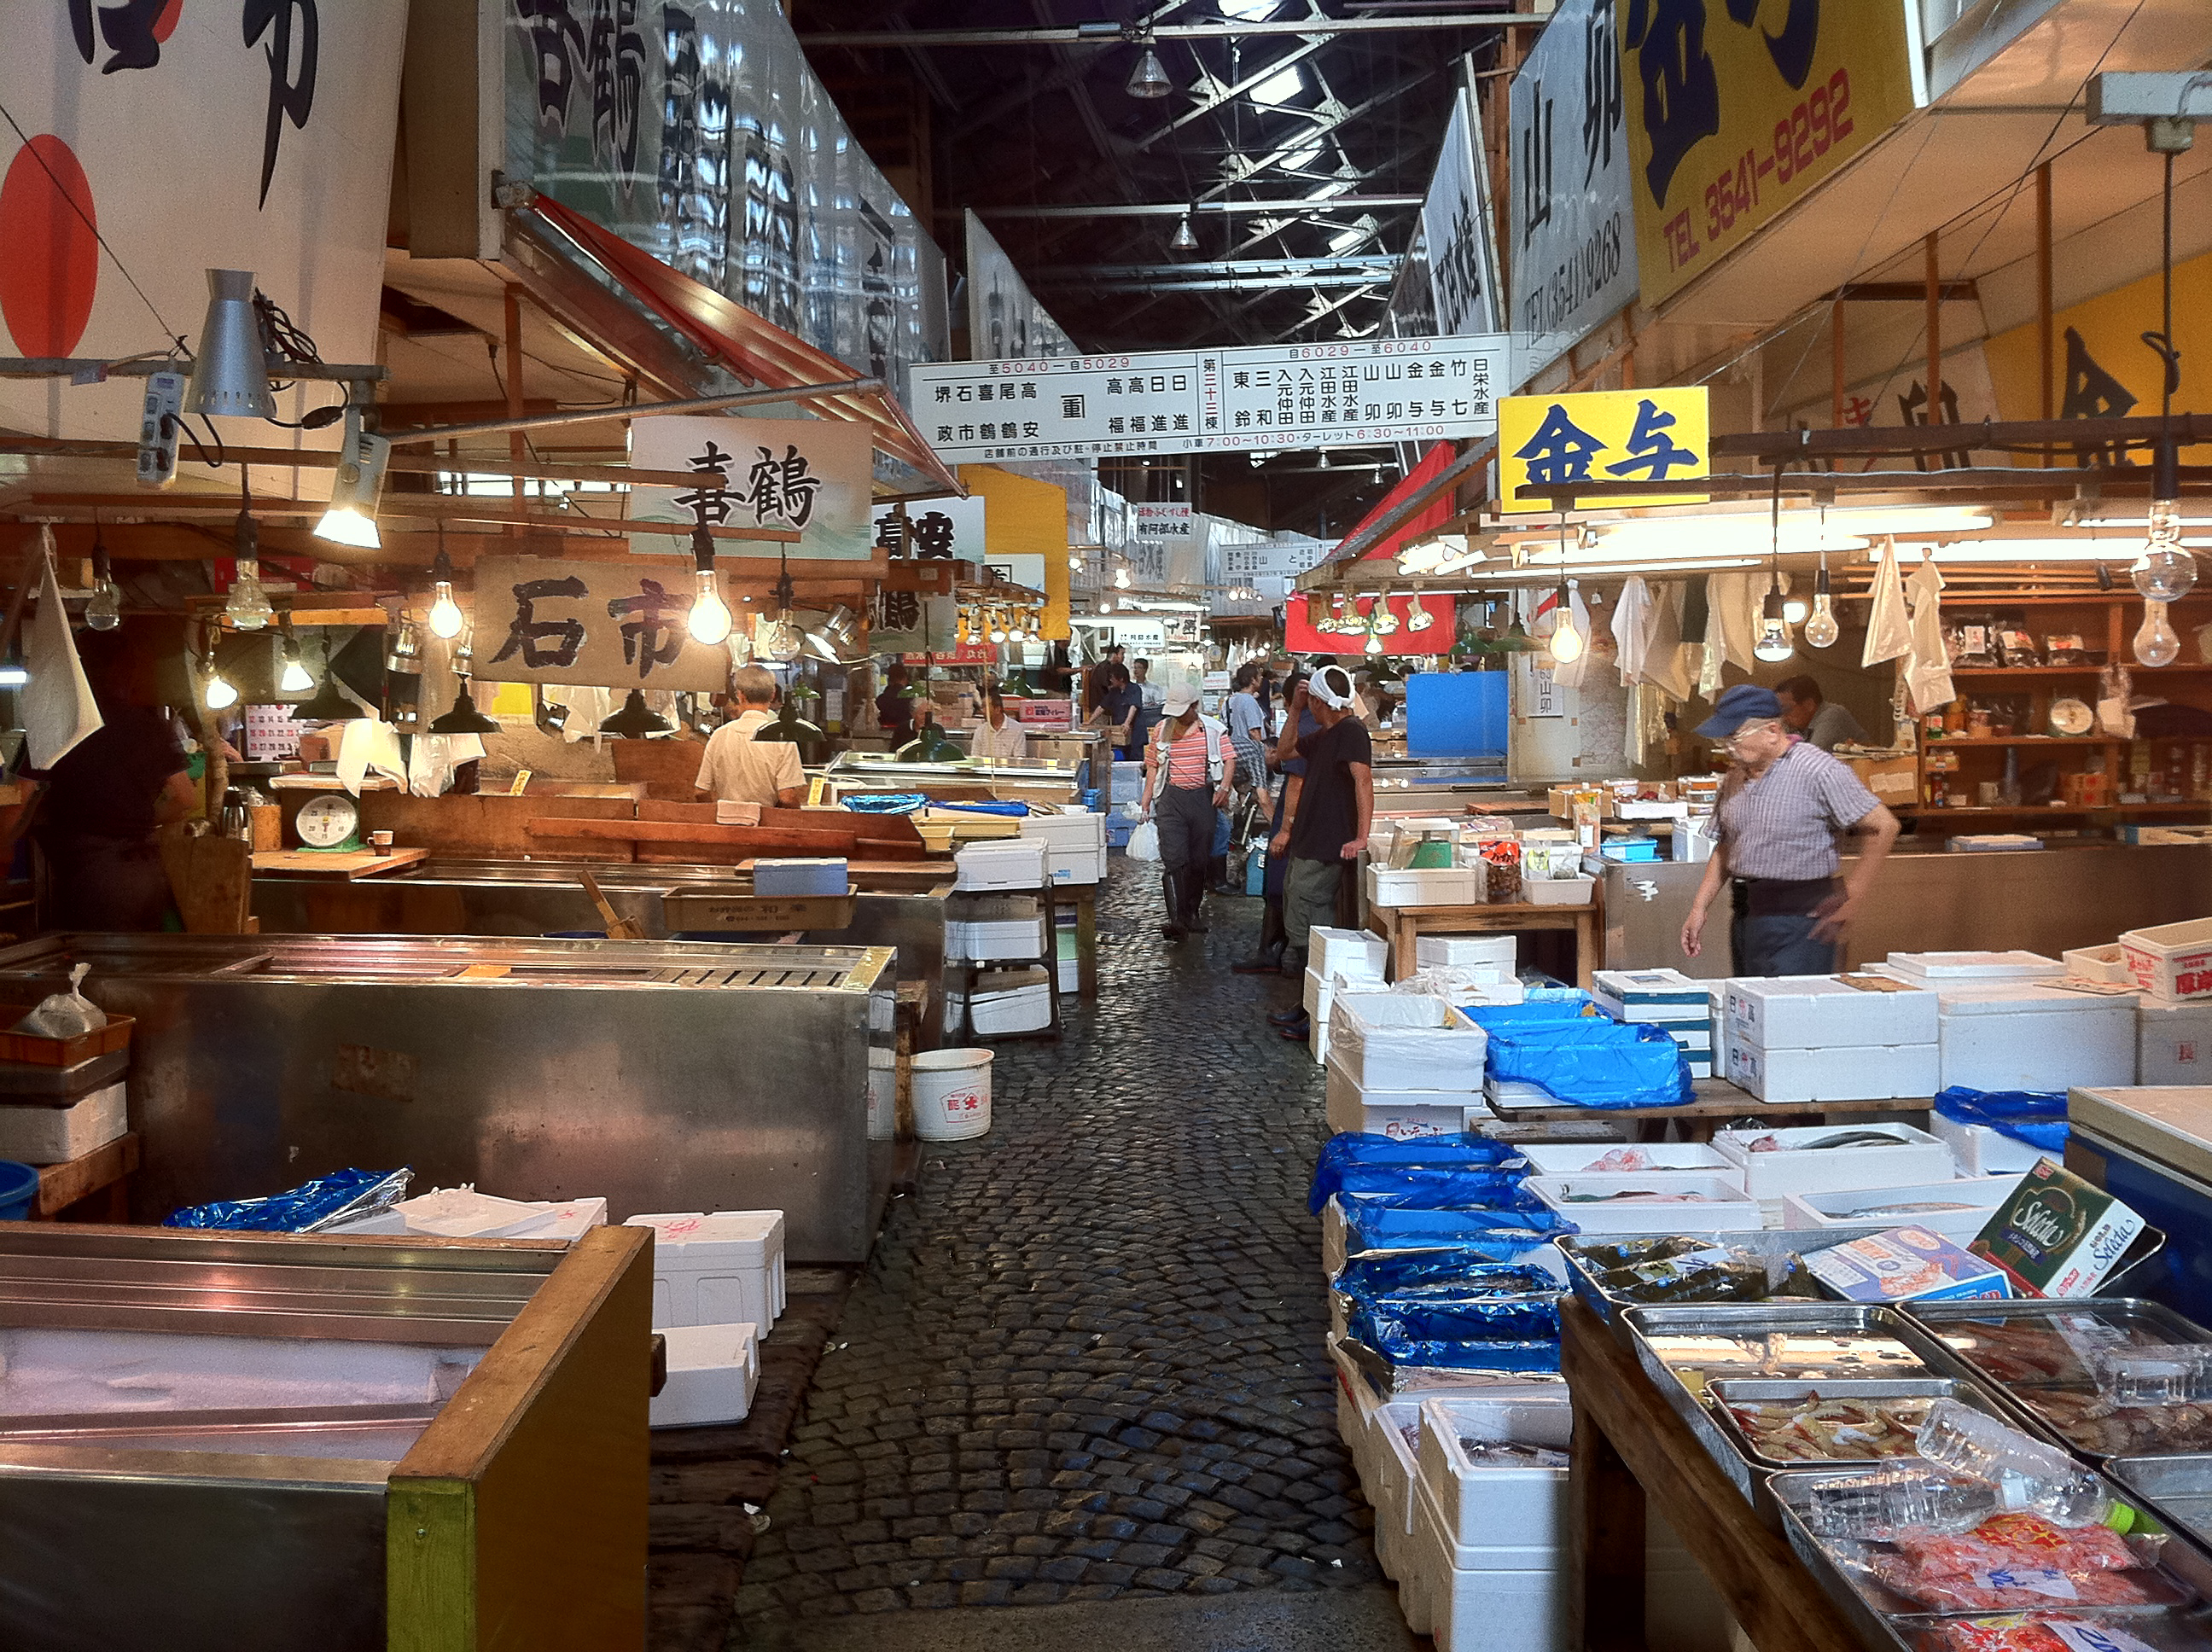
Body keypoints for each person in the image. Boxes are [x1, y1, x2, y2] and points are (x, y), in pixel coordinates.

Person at [1680, 683, 1901, 976]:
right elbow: (1727, 845)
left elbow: (1884, 826)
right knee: (1750, 1012)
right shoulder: (1734, 778)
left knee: (1791, 1015)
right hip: (1747, 914)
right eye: (1723, 740)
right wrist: (1699, 907)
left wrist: (1854, 894)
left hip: (1802, 919)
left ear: (1772, 731)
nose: (1727, 748)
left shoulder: (1817, 769)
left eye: (1734, 738)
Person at [32, 637, 195, 930]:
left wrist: (5, 846)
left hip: (94, 875)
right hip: (147, 870)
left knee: (92, 968)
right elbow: (185, 799)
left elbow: (19, 799)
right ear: (125, 670)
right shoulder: (149, 726)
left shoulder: (60, 724)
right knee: (142, 967)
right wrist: (140, 822)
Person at [1265, 666, 1373, 1040]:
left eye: (1309, 700)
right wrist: (1293, 711)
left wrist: (1362, 837)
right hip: (1308, 842)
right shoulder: (1326, 733)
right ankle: (1307, 1007)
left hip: (1327, 845)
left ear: (1320, 700)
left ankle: (1317, 1015)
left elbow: (1363, 782)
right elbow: (1283, 752)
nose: (1307, 705)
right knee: (1302, 924)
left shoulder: (1351, 732)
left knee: (1315, 930)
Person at [1231, 666, 1317, 976]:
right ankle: (1281, 952)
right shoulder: (1307, 723)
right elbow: (1283, 757)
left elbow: (1296, 780)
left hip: (1296, 819)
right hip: (1301, 818)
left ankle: (1279, 953)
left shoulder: (1308, 725)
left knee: (1281, 884)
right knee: (1285, 885)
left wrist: (1284, 829)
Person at [1143, 684, 1231, 941]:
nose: (1179, 717)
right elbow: (1152, 767)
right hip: (1171, 800)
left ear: (1195, 706)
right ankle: (1177, 920)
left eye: (1184, 711)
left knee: (1198, 860)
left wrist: (1224, 787)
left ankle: (1192, 913)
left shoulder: (1212, 730)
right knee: (1174, 860)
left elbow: (1229, 759)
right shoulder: (1162, 730)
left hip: (1203, 800)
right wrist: (1146, 802)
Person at [695, 665, 806, 809]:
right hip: (766, 826)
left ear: (740, 695)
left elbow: (701, 792)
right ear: (773, 695)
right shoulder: (782, 737)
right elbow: (787, 798)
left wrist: (718, 814)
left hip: (725, 826)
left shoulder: (720, 735)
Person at [1776, 675, 1868, 752]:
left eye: (1787, 709)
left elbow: (1811, 759)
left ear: (1809, 705)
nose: (1783, 716)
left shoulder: (1832, 716)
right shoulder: (1797, 724)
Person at [1089, 662, 1143, 759]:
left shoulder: (1135, 689)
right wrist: (1089, 721)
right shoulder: (1114, 692)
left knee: (1134, 760)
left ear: (1121, 679)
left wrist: (1127, 723)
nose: (1111, 680)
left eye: (1112, 677)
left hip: (1135, 734)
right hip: (1119, 733)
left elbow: (1133, 706)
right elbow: (1102, 706)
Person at [969, 685, 1029, 761]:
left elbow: (1019, 759)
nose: (983, 711)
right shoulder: (980, 730)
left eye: (985, 707)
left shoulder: (1017, 729)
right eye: (982, 707)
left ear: (997, 709)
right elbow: (975, 758)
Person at [1131, 658, 1165, 753]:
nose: (1136, 670)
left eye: (1139, 668)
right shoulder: (1130, 688)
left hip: (1150, 722)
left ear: (1145, 670)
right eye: (1134, 668)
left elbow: (1158, 704)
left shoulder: (1154, 688)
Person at [876, 663, 915, 742]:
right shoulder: (911, 698)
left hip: (882, 735)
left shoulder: (881, 698)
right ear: (904, 678)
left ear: (889, 679)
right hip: (906, 736)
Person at [1083, 643, 1124, 715]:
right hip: (1099, 710)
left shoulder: (1113, 667)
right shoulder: (1103, 668)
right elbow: (1109, 688)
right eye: (1122, 654)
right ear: (1114, 655)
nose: (1124, 657)